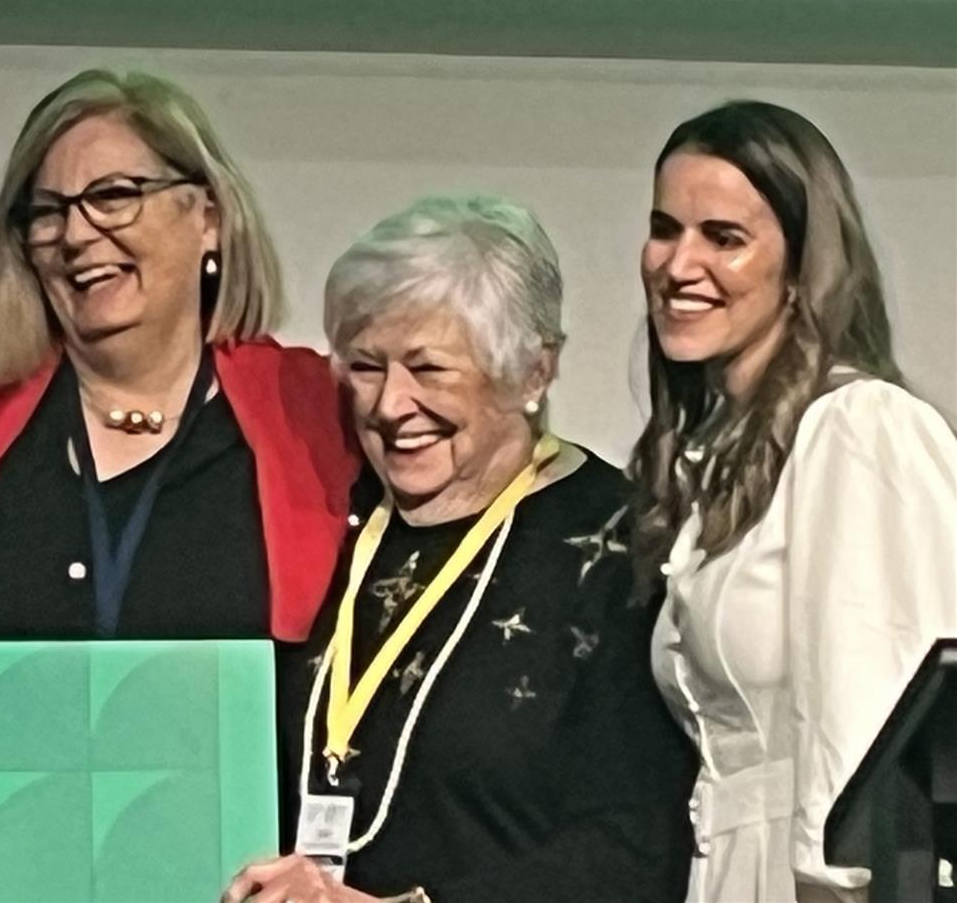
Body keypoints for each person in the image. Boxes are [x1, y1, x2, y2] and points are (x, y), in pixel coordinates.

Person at [224, 197, 694, 903]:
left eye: (428, 369)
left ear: (532, 372)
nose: (389, 404)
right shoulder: (326, 518)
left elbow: (636, 845)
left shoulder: (624, 546)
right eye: (366, 366)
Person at [0, 69, 361, 645]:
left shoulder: (320, 409)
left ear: (208, 218)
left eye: (112, 196)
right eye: (47, 212)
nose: (75, 235)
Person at [632, 101, 957, 902]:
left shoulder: (857, 430)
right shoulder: (719, 458)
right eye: (665, 229)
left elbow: (880, 763)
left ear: (800, 266)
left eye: (723, 237)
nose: (678, 264)